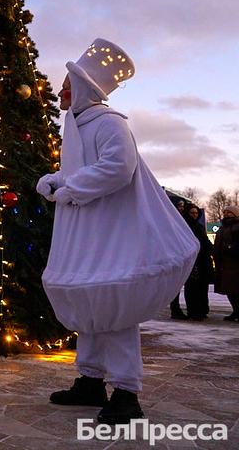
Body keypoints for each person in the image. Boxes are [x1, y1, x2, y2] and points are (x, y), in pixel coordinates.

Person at [37, 39, 198, 425]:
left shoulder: (109, 123)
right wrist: (55, 180)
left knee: (114, 303)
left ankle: (127, 391)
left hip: (110, 232)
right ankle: (90, 380)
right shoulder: (75, 126)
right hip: (86, 232)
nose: (60, 90)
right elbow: (83, 169)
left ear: (84, 89)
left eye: (66, 85)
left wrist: (71, 189)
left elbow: (117, 167)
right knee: (92, 301)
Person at [181, 204, 213, 320]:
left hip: (202, 261)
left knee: (202, 287)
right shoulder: (185, 226)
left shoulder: (198, 226)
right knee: (192, 288)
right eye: (192, 213)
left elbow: (205, 242)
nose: (194, 215)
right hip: (193, 261)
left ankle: (202, 310)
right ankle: (193, 311)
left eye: (196, 213)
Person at [214, 205, 239, 321]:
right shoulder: (223, 227)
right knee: (229, 290)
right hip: (224, 263)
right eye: (225, 212)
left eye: (229, 212)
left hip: (235, 263)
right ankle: (236, 311)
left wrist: (230, 248)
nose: (226, 214)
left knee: (236, 289)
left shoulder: (237, 227)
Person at [169, 199, 189, 319]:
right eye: (179, 205)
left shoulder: (181, 219)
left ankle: (176, 309)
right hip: (174, 255)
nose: (181, 208)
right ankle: (175, 309)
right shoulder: (171, 219)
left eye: (182, 205)